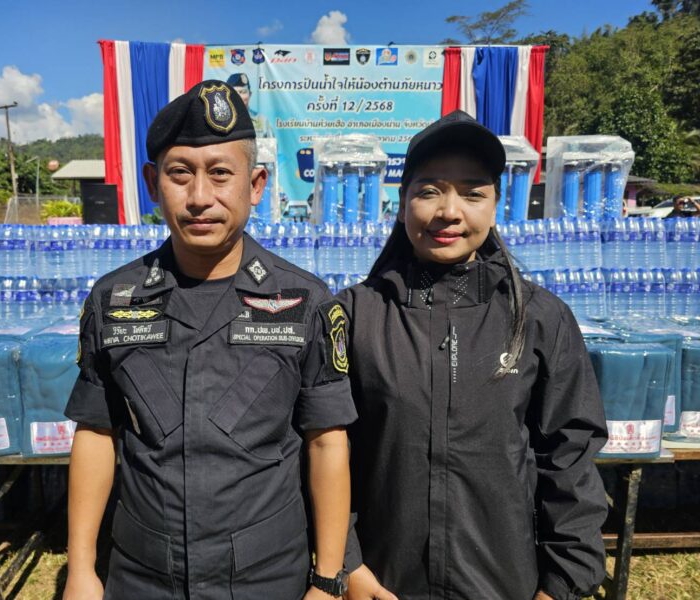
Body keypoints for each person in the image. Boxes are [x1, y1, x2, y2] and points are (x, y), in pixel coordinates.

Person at [63, 80, 356, 600]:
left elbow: (327, 442)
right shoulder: (114, 299)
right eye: (180, 174)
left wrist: (328, 580)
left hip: (267, 578)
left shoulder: (304, 300)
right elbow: (96, 432)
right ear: (153, 183)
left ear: (256, 184)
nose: (200, 198)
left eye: (221, 173)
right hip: (144, 576)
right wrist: (82, 569)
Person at [339, 110, 609, 600]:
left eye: (472, 193)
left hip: (504, 582)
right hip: (382, 581)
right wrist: (348, 565)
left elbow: (569, 459)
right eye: (429, 191)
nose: (449, 211)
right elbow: (324, 450)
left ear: (496, 206)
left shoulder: (540, 318)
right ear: (401, 204)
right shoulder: (356, 315)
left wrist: (563, 582)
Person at [227, 73, 274, 138]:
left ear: (250, 94)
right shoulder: (219, 122)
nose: (238, 96)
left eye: (242, 92)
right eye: (234, 92)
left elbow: (271, 144)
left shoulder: (262, 121)